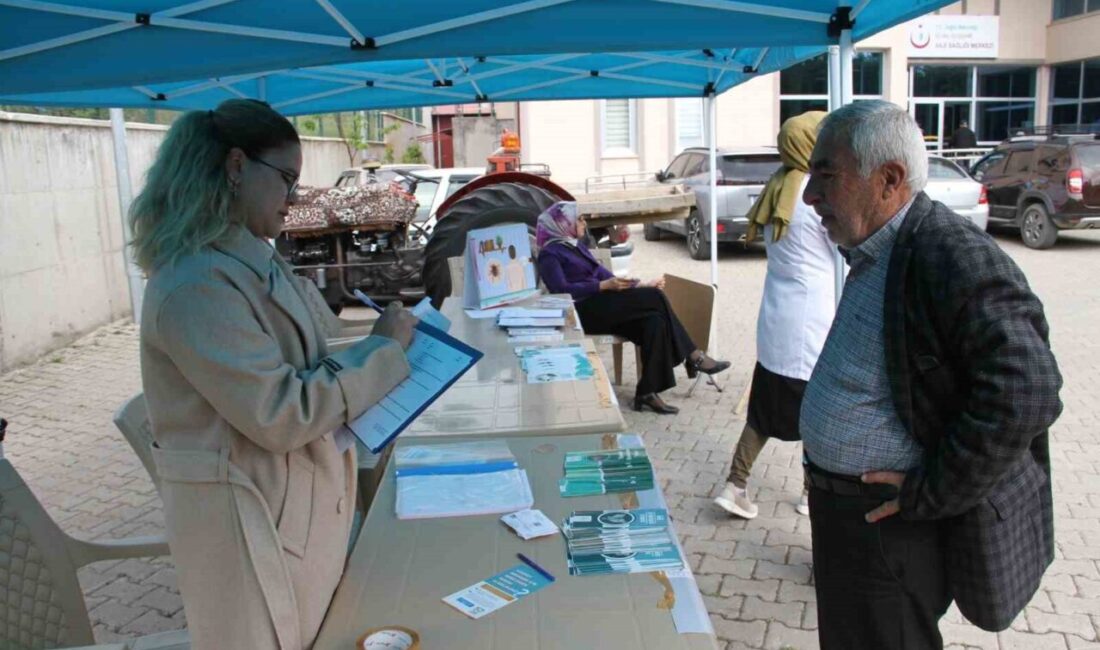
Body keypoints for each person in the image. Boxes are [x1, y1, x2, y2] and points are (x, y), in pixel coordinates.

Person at [130, 98, 418, 650]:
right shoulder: (197, 285)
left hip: (295, 512)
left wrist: (381, 345)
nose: (295, 198)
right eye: (286, 178)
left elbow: (312, 354)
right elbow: (281, 413)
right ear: (237, 166)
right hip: (255, 528)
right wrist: (382, 353)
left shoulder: (248, 261)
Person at [799, 100, 1062, 649]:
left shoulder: (948, 251)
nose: (809, 196)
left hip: (888, 525)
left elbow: (1028, 389)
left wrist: (934, 490)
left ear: (888, 180)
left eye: (826, 175)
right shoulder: (881, 246)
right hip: (850, 516)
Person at [713, 111, 836, 520]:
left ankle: (735, 485)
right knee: (817, 413)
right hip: (812, 318)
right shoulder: (816, 196)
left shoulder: (778, 185)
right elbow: (843, 254)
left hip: (778, 316)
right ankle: (811, 494)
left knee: (764, 411)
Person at [536, 202, 730, 414]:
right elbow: (561, 290)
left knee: (654, 322)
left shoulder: (574, 246)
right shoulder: (549, 253)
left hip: (601, 304)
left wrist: (639, 284)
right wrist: (602, 286)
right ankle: (693, 356)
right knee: (655, 297)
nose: (584, 222)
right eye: (579, 219)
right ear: (562, 223)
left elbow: (604, 275)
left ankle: (647, 392)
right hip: (581, 311)